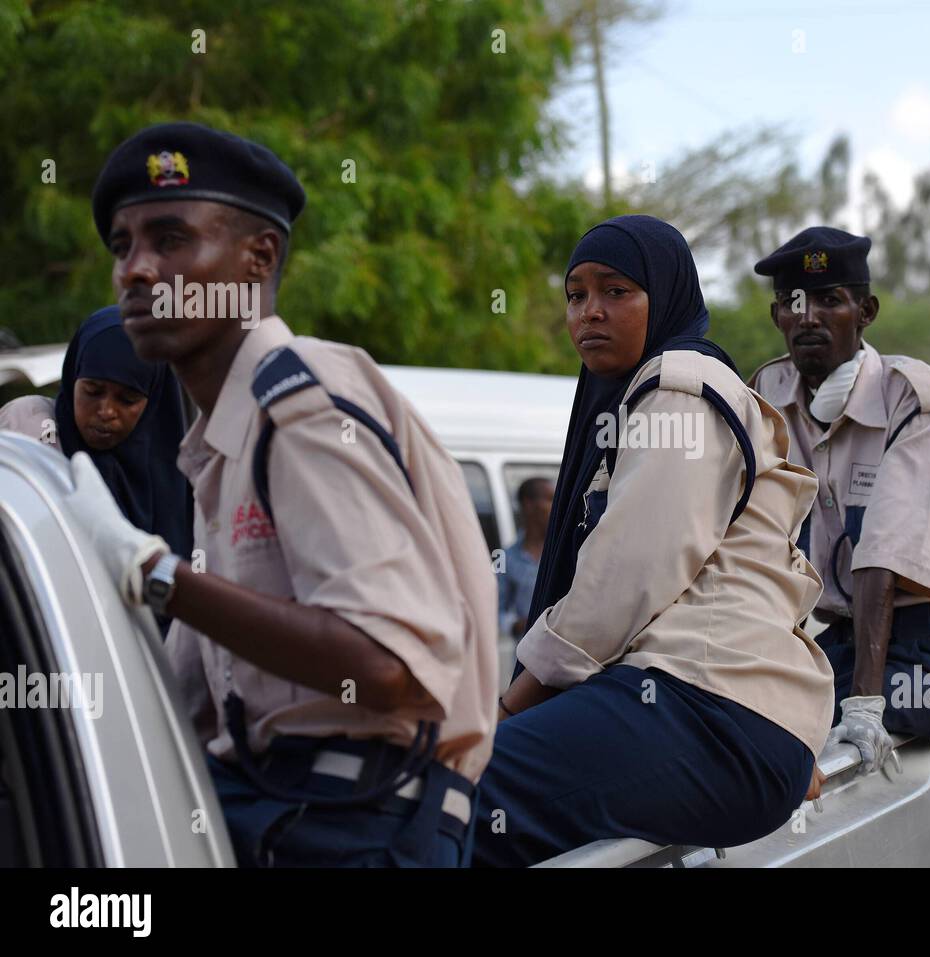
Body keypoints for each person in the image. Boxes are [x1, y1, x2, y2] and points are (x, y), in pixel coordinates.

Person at [67, 121, 497, 867]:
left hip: (351, 825)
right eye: (122, 246)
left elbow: (386, 665)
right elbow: (197, 697)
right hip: (288, 804)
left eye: (170, 240)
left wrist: (154, 573)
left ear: (256, 258)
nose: (135, 271)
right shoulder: (223, 435)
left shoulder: (300, 401)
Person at [472, 215, 833, 867]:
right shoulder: (638, 403)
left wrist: (505, 711)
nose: (590, 313)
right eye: (575, 295)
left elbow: (622, 582)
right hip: (726, 713)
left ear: (664, 296)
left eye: (616, 291)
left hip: (707, 710)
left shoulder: (682, 391)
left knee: (456, 794)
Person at [749, 227, 930, 773]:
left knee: (812, 727)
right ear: (777, 316)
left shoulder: (915, 399)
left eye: (830, 301)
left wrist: (867, 706)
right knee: (745, 722)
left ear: (865, 311)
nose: (809, 317)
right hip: (846, 638)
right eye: (793, 303)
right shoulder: (766, 398)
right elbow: (756, 543)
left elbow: (881, 557)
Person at [0, 305, 193, 565]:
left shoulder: (186, 473)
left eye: (127, 399)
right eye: (92, 391)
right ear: (73, 377)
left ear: (153, 401)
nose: (106, 411)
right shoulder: (27, 427)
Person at [498, 477, 554, 641]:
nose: (557, 506)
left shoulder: (568, 552)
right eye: (550, 499)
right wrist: (517, 624)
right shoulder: (504, 557)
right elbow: (496, 609)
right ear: (528, 504)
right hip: (525, 655)